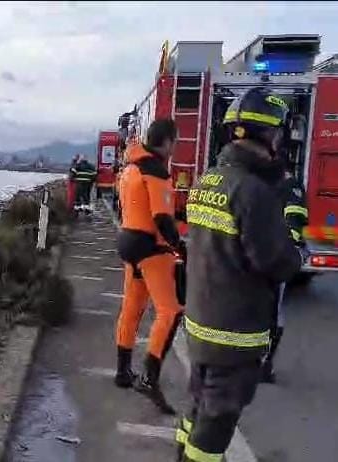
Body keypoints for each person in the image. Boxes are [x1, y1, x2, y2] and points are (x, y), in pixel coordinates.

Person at [176, 88, 305, 461]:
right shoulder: (255, 193)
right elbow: (278, 263)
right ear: (271, 136)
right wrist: (296, 251)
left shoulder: (208, 180)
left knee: (197, 409)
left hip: (201, 324)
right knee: (215, 427)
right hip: (234, 336)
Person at [114, 118, 184, 415]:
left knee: (132, 308)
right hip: (151, 248)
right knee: (170, 311)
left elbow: (130, 207)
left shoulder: (129, 168)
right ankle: (149, 378)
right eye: (175, 142)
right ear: (167, 142)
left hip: (128, 242)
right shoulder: (156, 171)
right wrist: (180, 247)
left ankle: (122, 372)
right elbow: (161, 218)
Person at [261, 162, 308, 383]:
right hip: (275, 257)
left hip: (256, 255)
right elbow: (295, 225)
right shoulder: (293, 187)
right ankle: (264, 363)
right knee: (273, 313)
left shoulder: (260, 182)